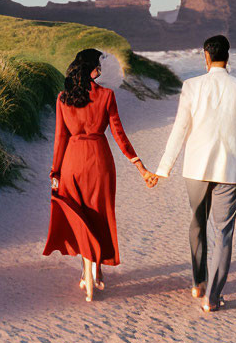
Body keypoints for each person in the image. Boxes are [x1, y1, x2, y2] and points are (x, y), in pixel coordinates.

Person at [42, 48, 158, 301]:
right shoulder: (106, 95)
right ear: (91, 69)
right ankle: (96, 270)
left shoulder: (63, 98)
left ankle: (87, 272)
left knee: (79, 215)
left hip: (72, 161)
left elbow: (60, 138)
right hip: (99, 161)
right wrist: (139, 166)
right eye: (98, 65)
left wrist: (55, 171)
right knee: (99, 216)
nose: (101, 69)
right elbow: (119, 135)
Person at [154, 35, 236, 313]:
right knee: (223, 233)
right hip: (230, 170)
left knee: (197, 224)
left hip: (196, 169)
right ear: (229, 56)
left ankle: (198, 281)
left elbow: (180, 128)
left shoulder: (191, 86)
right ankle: (211, 297)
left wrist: (164, 168)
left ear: (206, 56)